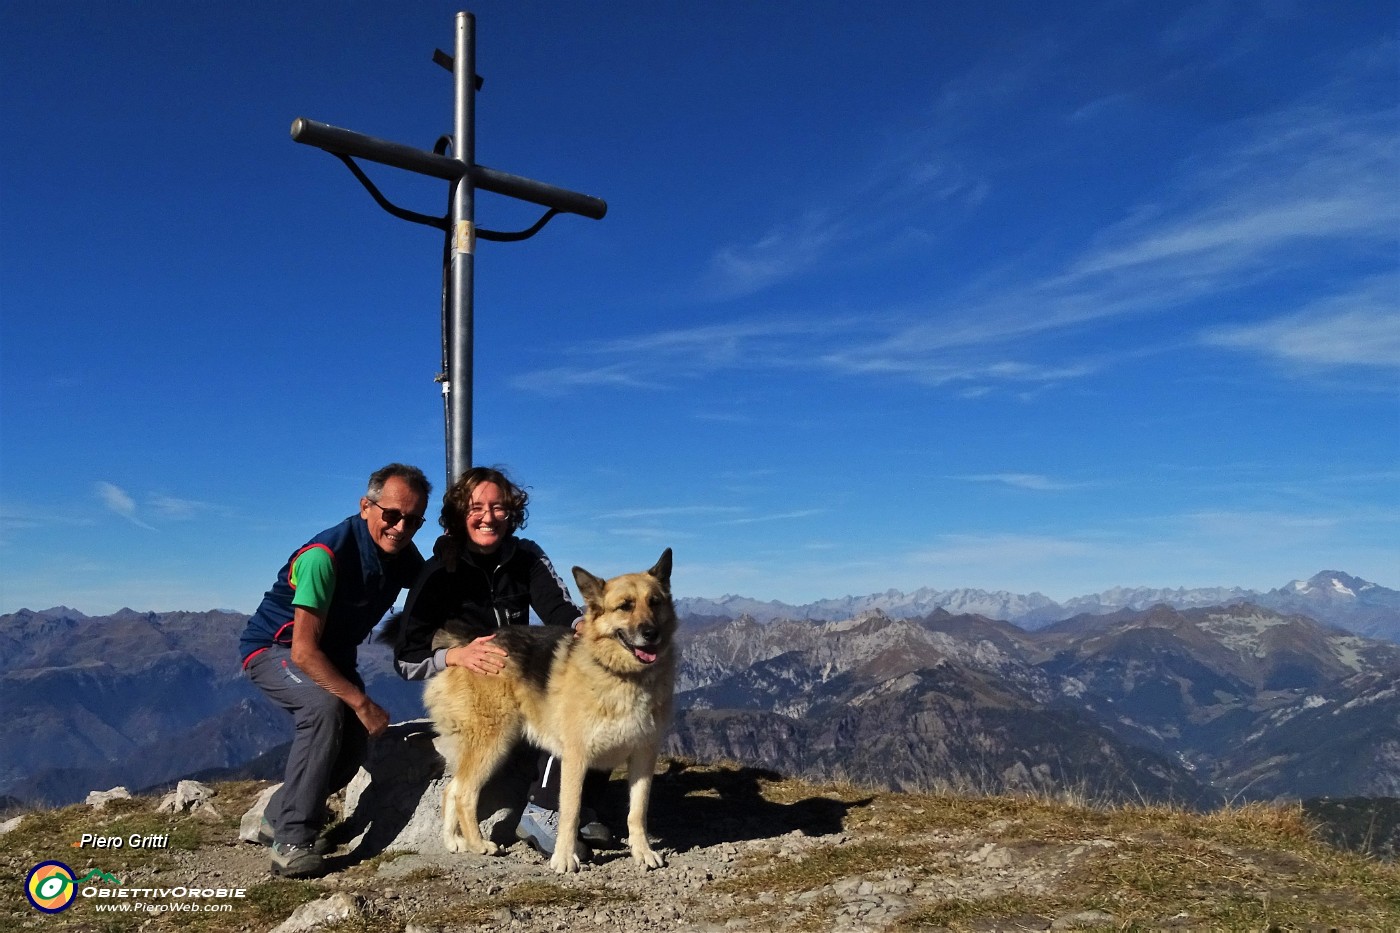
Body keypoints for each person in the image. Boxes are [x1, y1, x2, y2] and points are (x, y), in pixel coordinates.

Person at [394, 465, 611, 858]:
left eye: (499, 507)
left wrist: (584, 626)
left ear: (511, 513)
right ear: (460, 514)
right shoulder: (439, 570)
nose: (488, 516)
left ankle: (577, 805)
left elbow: (558, 608)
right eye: (476, 507)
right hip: (470, 679)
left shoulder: (526, 556)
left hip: (517, 667)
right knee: (569, 710)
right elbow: (405, 658)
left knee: (594, 687)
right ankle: (545, 809)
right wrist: (456, 655)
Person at [239, 463, 431, 878]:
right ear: (367, 506)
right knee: (325, 709)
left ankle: (276, 816)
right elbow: (305, 652)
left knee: (355, 740)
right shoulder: (324, 557)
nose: (401, 527)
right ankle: (291, 841)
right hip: (277, 649)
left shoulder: (400, 554)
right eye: (392, 514)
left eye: (414, 520)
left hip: (333, 654)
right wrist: (360, 701)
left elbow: (434, 589)